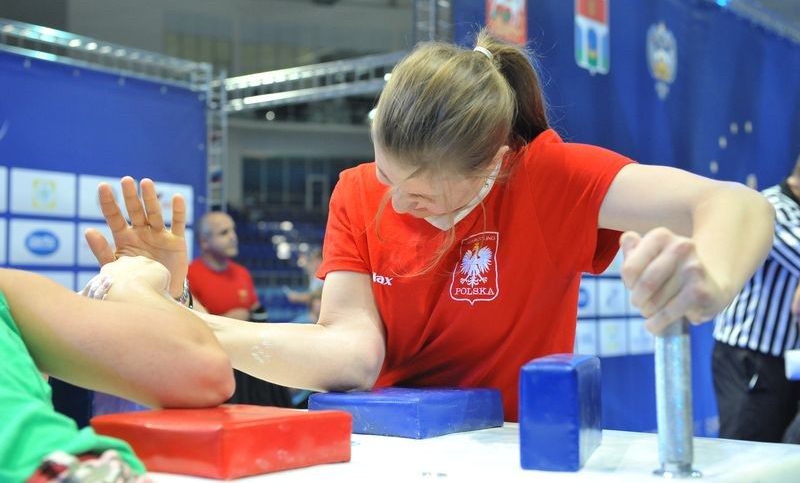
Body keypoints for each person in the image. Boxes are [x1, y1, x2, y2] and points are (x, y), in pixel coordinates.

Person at [88, 31, 775, 422]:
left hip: (512, 452)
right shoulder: (358, 191)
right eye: (388, 177)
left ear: (494, 166)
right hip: (385, 447)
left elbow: (739, 206)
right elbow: (353, 355)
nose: (395, 203)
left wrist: (711, 280)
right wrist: (178, 315)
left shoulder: (546, 176)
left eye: (420, 195)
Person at [0, 255, 235, 482]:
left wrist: (171, 293)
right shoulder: (9, 290)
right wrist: (136, 286)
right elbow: (206, 370)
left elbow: (203, 369)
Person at [712, 155, 800, 443]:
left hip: (784, 360)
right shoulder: (773, 209)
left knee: (782, 455)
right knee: (747, 452)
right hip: (751, 358)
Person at [187, 210, 293, 408]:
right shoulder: (190, 275)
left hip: (247, 371)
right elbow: (187, 328)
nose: (233, 237)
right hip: (214, 368)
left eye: (233, 230)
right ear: (204, 242)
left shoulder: (242, 274)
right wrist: (226, 320)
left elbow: (258, 313)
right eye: (224, 232)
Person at [286, 247, 323, 324]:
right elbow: (307, 266)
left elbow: (316, 294)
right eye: (313, 261)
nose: (314, 264)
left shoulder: (324, 277)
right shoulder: (314, 275)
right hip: (312, 314)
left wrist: (297, 297)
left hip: (318, 316)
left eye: (316, 260)